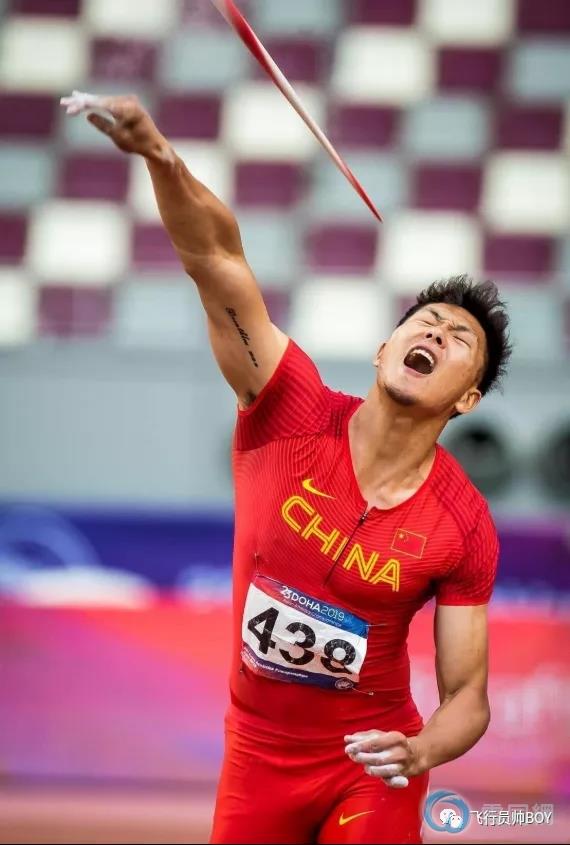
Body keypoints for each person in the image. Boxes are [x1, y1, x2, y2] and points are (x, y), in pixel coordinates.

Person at [62, 93, 511, 845]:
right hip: (257, 755)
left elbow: (468, 695)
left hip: (371, 761)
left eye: (459, 338)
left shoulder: (462, 525)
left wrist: (421, 750)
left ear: (467, 398)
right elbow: (217, 263)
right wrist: (159, 155)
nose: (436, 331)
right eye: (425, 321)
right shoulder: (288, 408)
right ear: (385, 349)